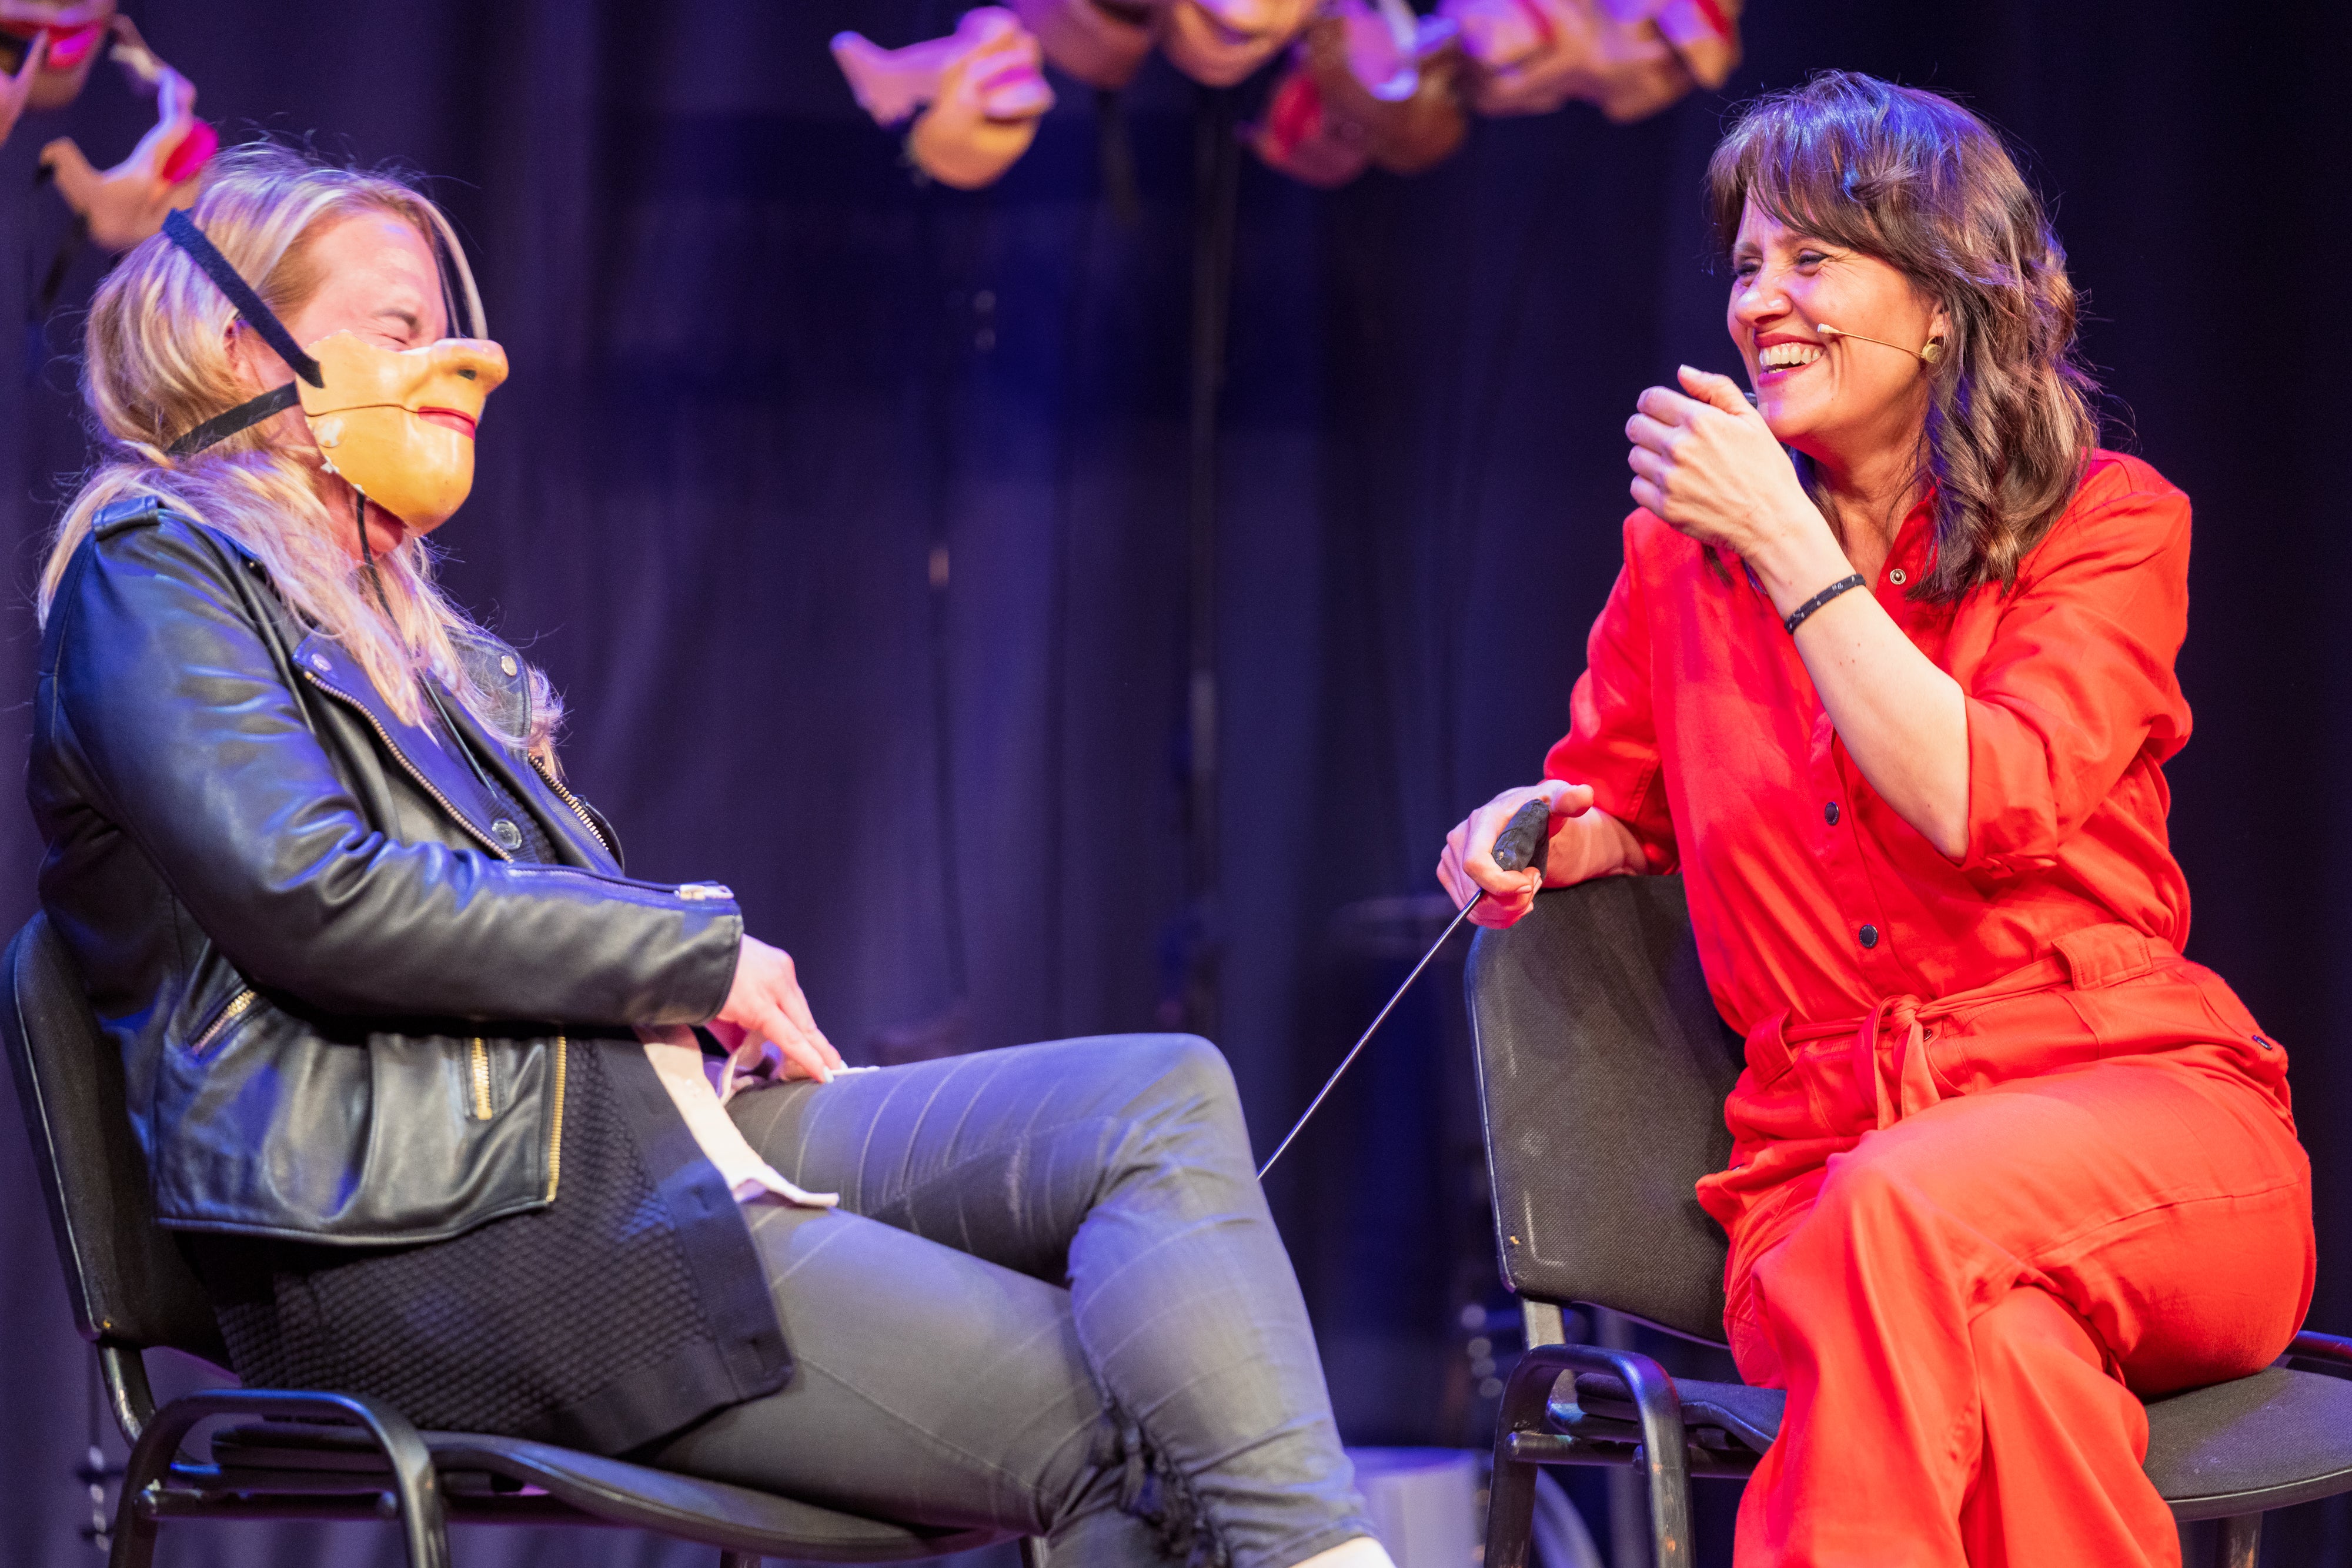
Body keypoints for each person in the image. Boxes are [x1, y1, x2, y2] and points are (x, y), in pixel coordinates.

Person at [31, 142, 1391, 1568]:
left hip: (618, 1148)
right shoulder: (155, 563)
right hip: (431, 1228)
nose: (457, 363)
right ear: (247, 338)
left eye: (451, 325)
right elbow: (314, 894)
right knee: (1138, 1436)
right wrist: (691, 951)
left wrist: (677, 1007)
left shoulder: (426, 649)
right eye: (401, 328)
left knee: (1157, 1098)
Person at [1439, 71, 2311, 1567]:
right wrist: (1534, 828)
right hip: (1822, 1178)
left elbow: (1987, 795)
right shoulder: (1675, 568)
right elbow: (1615, 801)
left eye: (1811, 259)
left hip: (2139, 1131)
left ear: (1942, 301)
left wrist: (1787, 548)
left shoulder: (2104, 523)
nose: (1759, 302)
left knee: (1903, 1217)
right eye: (1743, 266)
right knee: (2015, 1378)